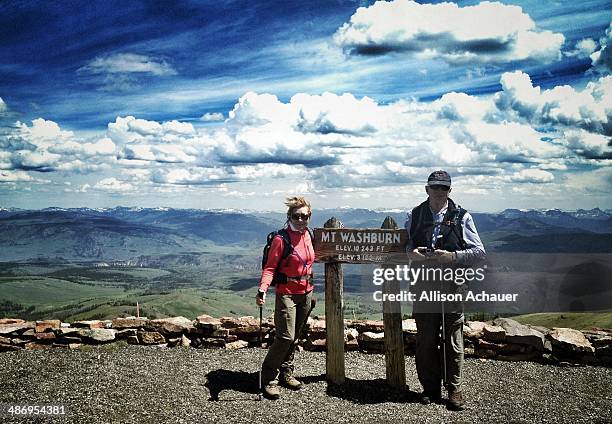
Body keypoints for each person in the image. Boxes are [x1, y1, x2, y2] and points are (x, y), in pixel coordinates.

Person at [405, 170, 485, 411]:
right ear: (426, 189)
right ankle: (429, 388)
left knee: (453, 340)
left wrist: (452, 256)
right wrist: (412, 254)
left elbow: (479, 252)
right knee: (426, 339)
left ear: (450, 190)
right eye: (435, 187)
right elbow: (406, 245)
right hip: (423, 285)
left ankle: (454, 389)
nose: (439, 192)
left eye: (444, 188)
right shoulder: (414, 215)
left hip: (453, 286)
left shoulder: (463, 216)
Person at [256, 196, 315, 400]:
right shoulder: (282, 239)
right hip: (286, 293)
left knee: (295, 336)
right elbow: (270, 268)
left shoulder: (309, 235)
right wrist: (262, 289)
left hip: (306, 292)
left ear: (310, 216)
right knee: (285, 337)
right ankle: (269, 377)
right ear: (289, 216)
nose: (301, 220)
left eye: (305, 216)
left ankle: (287, 371)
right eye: (297, 216)